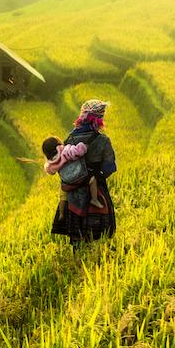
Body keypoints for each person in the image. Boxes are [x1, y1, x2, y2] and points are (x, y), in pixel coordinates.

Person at [51, 99, 118, 246]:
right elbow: (109, 168)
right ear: (99, 119)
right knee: (99, 235)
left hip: (73, 191)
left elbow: (63, 165)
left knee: (76, 234)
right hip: (96, 187)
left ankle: (77, 257)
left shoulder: (70, 138)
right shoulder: (103, 140)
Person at [42, 137, 104, 209]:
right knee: (93, 179)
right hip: (81, 176)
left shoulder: (51, 163)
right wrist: (83, 147)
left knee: (63, 194)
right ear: (57, 145)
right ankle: (94, 199)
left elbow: (50, 171)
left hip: (68, 183)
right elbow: (76, 151)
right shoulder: (65, 150)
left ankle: (61, 213)